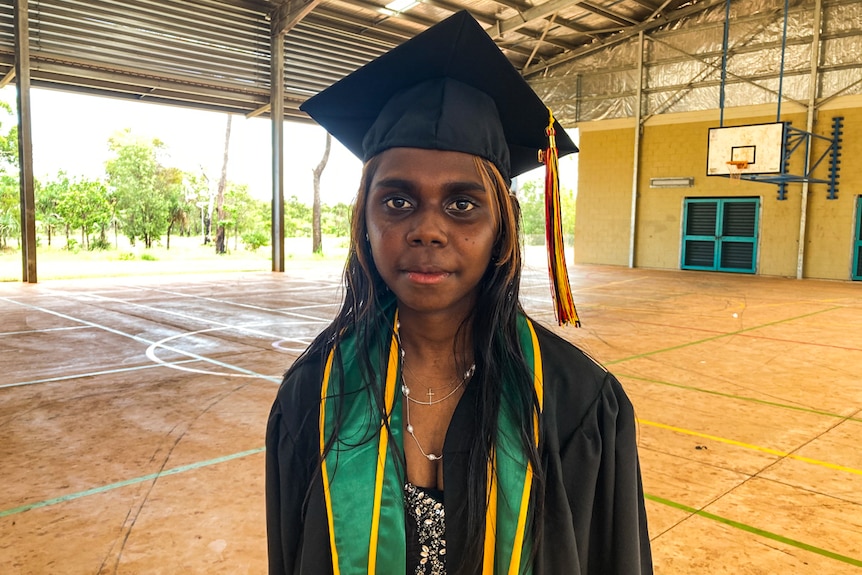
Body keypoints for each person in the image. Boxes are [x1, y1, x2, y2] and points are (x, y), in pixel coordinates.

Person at [266, 11, 652, 575]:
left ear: (503, 226)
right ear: (364, 222)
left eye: (462, 204)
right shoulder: (314, 396)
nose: (428, 229)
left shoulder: (578, 402)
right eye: (396, 201)